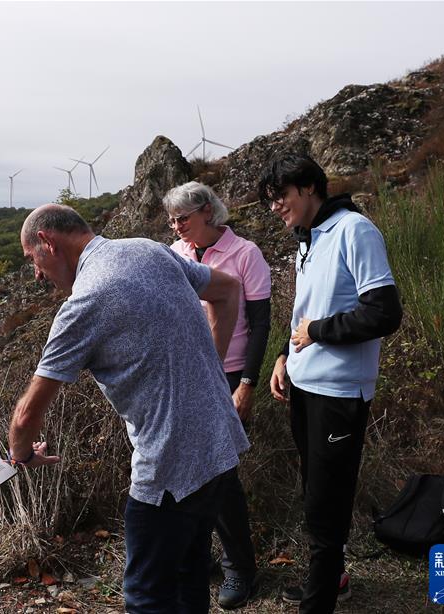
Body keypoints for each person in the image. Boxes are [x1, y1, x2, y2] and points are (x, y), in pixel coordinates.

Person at [7, 203, 247, 613]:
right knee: (190, 576)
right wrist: (210, 368)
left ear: (48, 242)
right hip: (220, 445)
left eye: (33, 259)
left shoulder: (84, 303)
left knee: (145, 598)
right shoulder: (148, 249)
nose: (36, 274)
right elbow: (228, 291)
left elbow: (28, 415)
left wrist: (21, 453)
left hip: (170, 466)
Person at [258, 153, 402, 613]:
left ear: (308, 188)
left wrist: (317, 332)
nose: (275, 206)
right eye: (270, 199)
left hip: (339, 392)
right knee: (316, 490)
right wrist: (284, 353)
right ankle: (331, 577)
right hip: (304, 386)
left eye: (280, 196)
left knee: (327, 500)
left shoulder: (355, 231)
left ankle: (318, 602)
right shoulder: (309, 237)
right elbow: (307, 310)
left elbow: (384, 312)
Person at [163, 181, 271, 609]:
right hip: (188, 374)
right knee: (188, 473)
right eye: (172, 219)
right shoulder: (174, 254)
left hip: (227, 375)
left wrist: (248, 383)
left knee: (223, 476)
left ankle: (240, 568)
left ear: (207, 211)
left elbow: (261, 323)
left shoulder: (246, 253)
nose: (176, 226)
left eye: (183, 218)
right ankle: (199, 557)